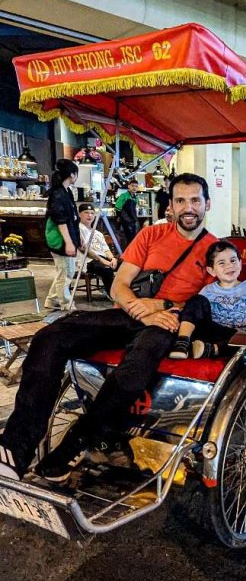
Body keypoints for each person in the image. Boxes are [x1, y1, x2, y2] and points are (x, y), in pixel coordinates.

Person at [0, 174, 217, 484]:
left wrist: (163, 306)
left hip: (169, 323)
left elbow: (211, 303)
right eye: (180, 200)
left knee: (135, 369)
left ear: (207, 204)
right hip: (129, 312)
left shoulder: (215, 250)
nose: (188, 208)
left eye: (195, 200)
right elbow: (119, 285)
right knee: (50, 336)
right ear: (170, 205)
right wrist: (141, 308)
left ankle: (76, 442)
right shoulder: (151, 235)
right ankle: (15, 448)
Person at [169, 240, 246, 360]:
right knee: (197, 300)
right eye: (221, 263)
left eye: (233, 260)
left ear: (240, 263)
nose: (229, 265)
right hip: (209, 330)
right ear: (211, 270)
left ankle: (209, 349)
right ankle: (182, 343)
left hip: (232, 335)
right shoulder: (207, 290)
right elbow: (195, 311)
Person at [44, 158, 80, 311]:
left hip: (67, 237)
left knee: (65, 271)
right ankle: (66, 303)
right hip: (60, 239)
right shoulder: (58, 194)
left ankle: (51, 300)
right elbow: (61, 220)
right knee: (66, 272)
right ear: (72, 175)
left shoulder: (66, 191)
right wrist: (69, 242)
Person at [77, 202, 119, 296]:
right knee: (106, 268)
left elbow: (106, 249)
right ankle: (112, 294)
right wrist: (103, 261)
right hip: (88, 260)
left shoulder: (98, 233)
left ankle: (125, 291)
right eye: (86, 212)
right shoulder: (78, 229)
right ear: (79, 214)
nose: (89, 215)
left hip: (103, 258)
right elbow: (85, 250)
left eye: (92, 213)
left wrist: (113, 259)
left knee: (127, 264)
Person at [115, 178, 140, 244]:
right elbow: (117, 207)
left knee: (133, 240)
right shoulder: (123, 196)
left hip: (133, 221)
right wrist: (121, 218)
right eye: (132, 186)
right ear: (129, 186)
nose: (134, 188)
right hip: (125, 221)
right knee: (127, 240)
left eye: (136, 186)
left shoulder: (135, 197)